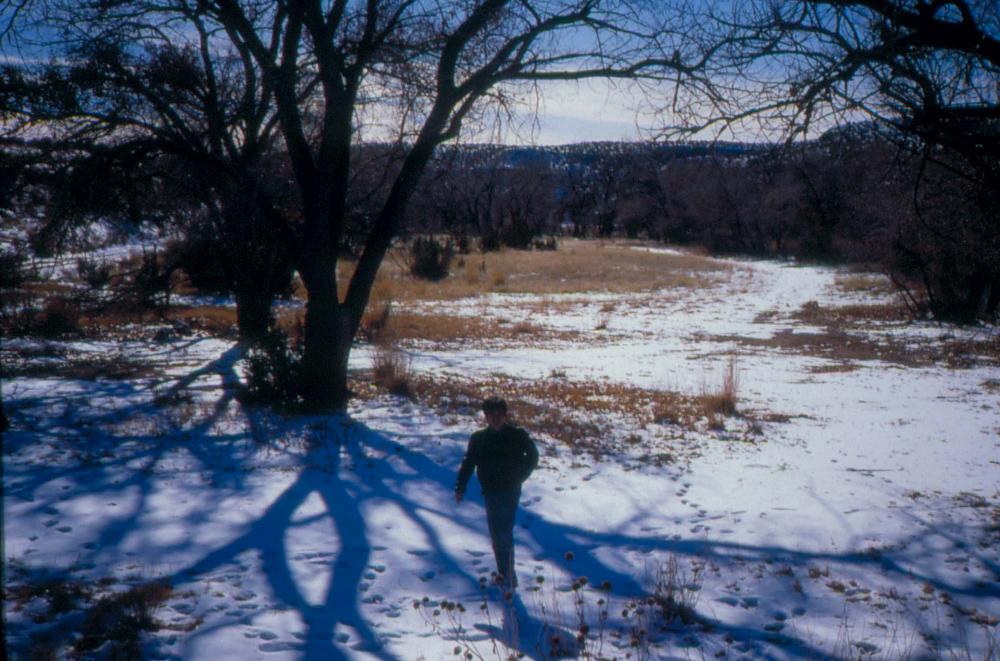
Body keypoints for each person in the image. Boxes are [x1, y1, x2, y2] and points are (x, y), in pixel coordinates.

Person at [455, 397, 539, 589]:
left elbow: (533, 457)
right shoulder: (479, 438)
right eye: (491, 415)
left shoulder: (517, 434)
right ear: (485, 417)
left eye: (499, 414)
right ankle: (504, 573)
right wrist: (460, 487)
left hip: (510, 490)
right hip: (490, 491)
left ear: (505, 415)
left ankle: (508, 575)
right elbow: (469, 463)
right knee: (496, 533)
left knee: (504, 532)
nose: (495, 418)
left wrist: (520, 476)